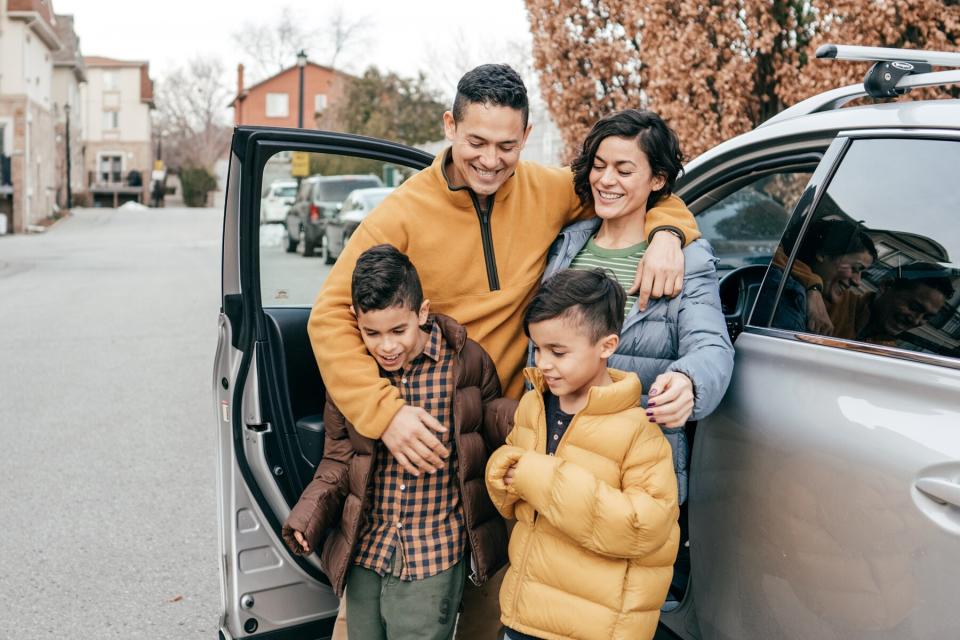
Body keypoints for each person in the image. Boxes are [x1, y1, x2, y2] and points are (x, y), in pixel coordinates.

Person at [308, 64, 699, 637]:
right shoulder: (402, 212)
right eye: (477, 143)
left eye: (507, 145)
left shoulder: (547, 189)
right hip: (427, 429)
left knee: (494, 598)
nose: (492, 160)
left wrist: (669, 233)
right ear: (449, 125)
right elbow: (329, 316)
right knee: (387, 603)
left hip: (515, 429)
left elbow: (633, 191)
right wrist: (383, 413)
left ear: (526, 134)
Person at [283, 245, 511, 640]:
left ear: (421, 313)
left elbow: (490, 426)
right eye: (372, 333)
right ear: (356, 322)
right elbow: (338, 459)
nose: (386, 346)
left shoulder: (465, 363)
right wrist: (309, 515)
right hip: (368, 550)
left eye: (398, 331)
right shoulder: (354, 375)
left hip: (433, 552)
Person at [541, 109, 734, 507]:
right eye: (599, 166)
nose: (606, 180)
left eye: (624, 170)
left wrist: (688, 382)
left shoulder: (685, 257)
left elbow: (712, 347)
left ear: (658, 179)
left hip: (633, 475)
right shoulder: (565, 244)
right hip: (553, 455)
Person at [486, 269, 679, 640]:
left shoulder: (637, 428)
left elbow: (644, 527)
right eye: (538, 349)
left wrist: (536, 477)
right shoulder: (534, 404)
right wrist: (503, 470)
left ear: (606, 346)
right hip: (525, 613)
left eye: (558, 352)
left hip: (594, 628)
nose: (542, 363)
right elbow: (513, 489)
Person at [758, 218, 877, 334]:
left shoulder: (841, 301)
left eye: (863, 274)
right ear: (824, 253)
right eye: (856, 268)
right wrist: (813, 285)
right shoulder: (787, 294)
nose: (858, 282)